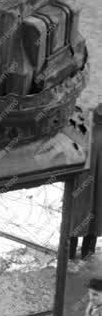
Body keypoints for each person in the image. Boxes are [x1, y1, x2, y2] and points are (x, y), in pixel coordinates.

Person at [69, 104, 102, 262]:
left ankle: (71, 257)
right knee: (93, 214)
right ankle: (84, 256)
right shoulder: (84, 128)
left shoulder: (83, 128)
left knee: (78, 217)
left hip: (82, 184)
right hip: (90, 184)